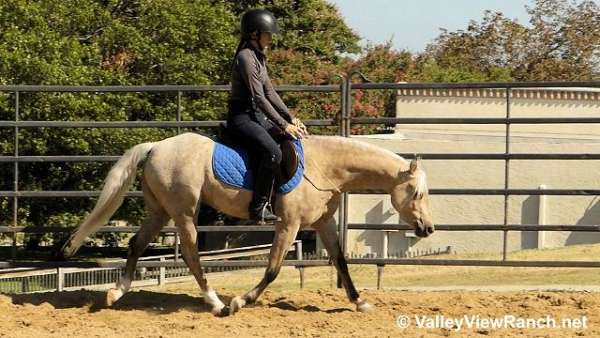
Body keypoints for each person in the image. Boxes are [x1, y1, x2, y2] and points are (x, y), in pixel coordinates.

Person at [227, 9, 307, 223]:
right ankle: (258, 207)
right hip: (241, 118)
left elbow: (270, 92)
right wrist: (282, 124)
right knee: (273, 153)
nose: (271, 38)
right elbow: (260, 98)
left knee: (287, 141)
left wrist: (290, 119)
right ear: (254, 34)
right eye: (267, 34)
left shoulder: (258, 57)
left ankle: (281, 196)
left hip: (255, 116)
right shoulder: (245, 57)